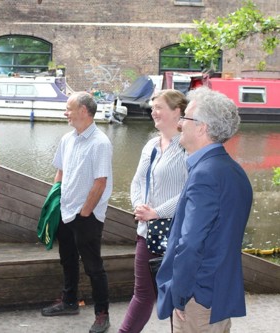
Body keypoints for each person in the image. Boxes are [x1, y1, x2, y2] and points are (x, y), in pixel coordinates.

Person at [156, 87, 253, 332]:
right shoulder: (233, 171)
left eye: (185, 118)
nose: (180, 125)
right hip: (218, 294)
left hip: (198, 300)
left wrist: (179, 294)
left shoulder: (204, 175)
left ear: (202, 127)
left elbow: (190, 243)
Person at [41, 91, 113, 333]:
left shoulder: (100, 142)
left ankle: (102, 314)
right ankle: (69, 301)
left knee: (94, 267)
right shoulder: (67, 139)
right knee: (68, 260)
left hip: (86, 216)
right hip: (65, 211)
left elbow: (100, 182)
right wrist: (54, 202)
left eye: (69, 108)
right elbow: (60, 173)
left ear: (84, 111)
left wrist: (85, 212)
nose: (66, 113)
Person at [118, 90, 188, 333]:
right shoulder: (151, 145)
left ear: (177, 111)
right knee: (143, 294)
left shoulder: (187, 148)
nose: (153, 112)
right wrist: (139, 206)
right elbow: (137, 181)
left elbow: (191, 192)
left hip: (177, 235)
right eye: (152, 107)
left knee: (177, 297)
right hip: (147, 232)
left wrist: (157, 211)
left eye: (158, 107)